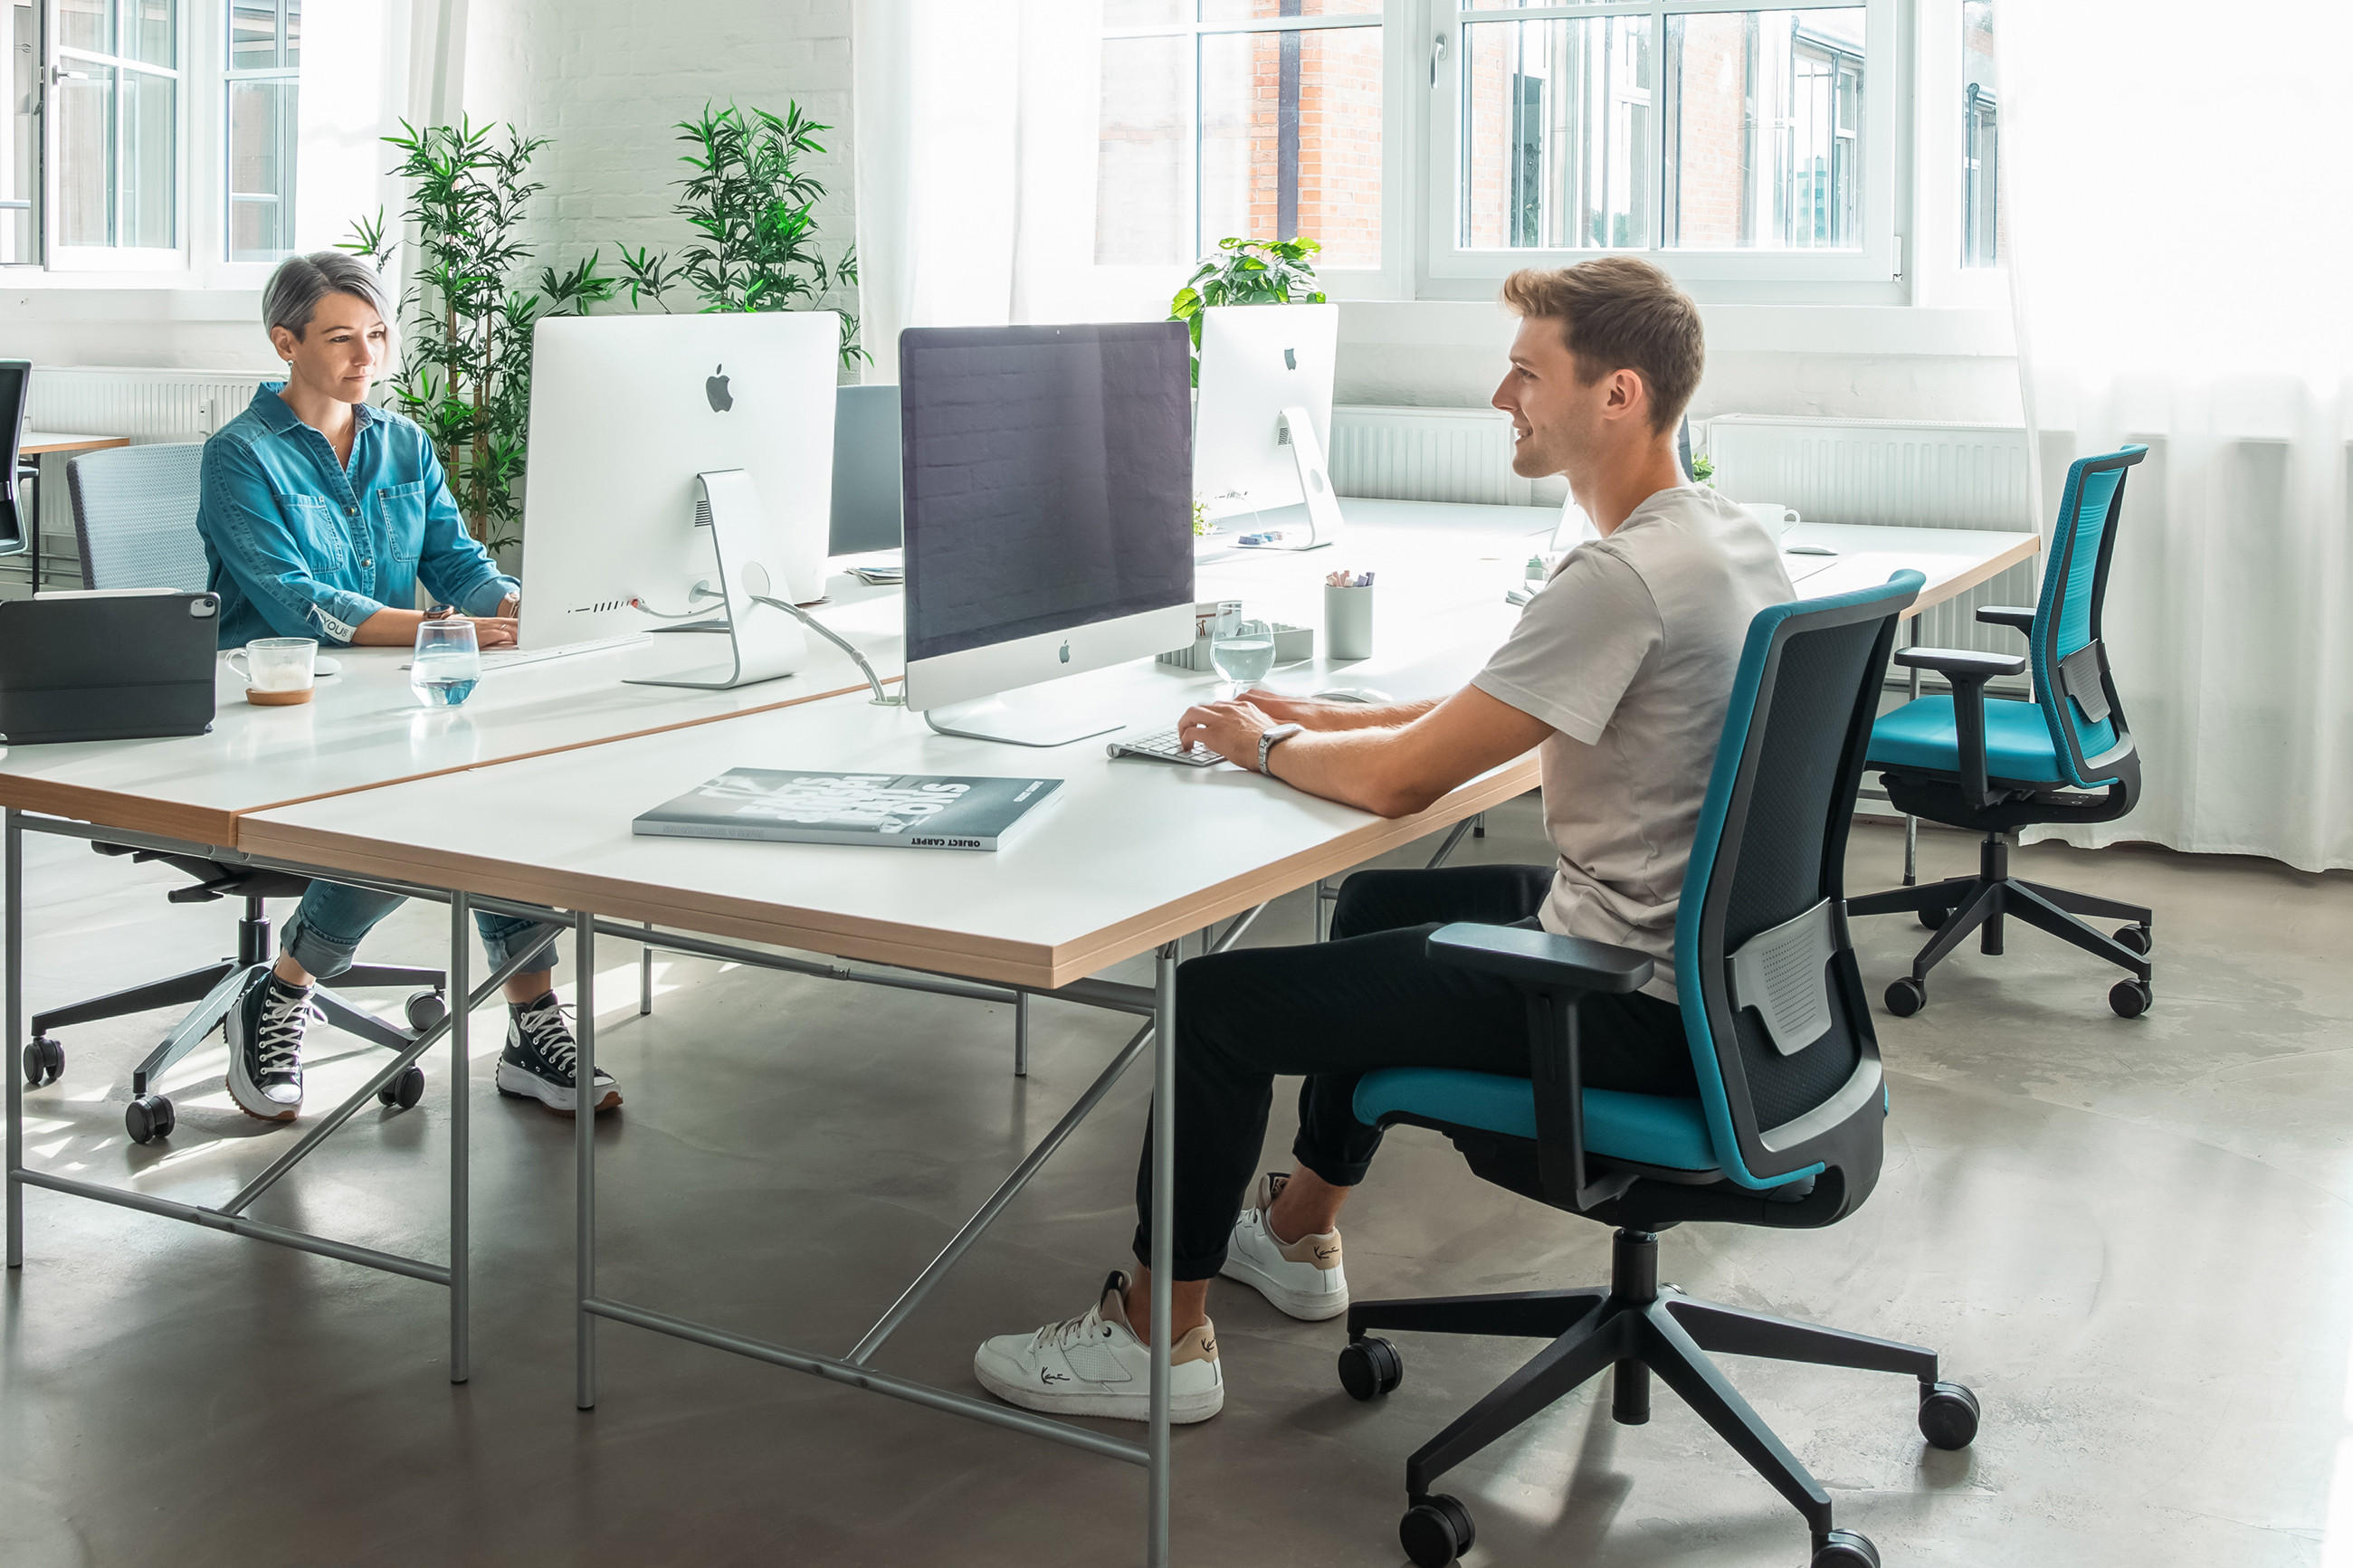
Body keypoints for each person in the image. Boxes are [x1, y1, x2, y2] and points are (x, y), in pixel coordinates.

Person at [973, 258, 1794, 1423]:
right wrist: (1319, 717)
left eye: (1524, 372)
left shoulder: (1617, 579)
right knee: (1373, 914)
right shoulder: (1715, 535)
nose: (1498, 397)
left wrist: (1258, 746)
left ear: (1615, 394)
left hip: (1630, 1005)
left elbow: (1409, 781)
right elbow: (1489, 703)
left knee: (1214, 1007)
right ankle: (1298, 1235)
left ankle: (1157, 1336)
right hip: (1720, 981)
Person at [195, 250, 621, 1124]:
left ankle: (529, 1020)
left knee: (497, 781)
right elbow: (297, 600)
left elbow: (453, 560)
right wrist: (445, 630)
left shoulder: (402, 441)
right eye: (342, 338)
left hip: (391, 693)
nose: (367, 356)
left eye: (380, 335)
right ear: (286, 342)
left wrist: (518, 604)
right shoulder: (239, 456)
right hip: (276, 709)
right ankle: (285, 990)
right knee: (413, 807)